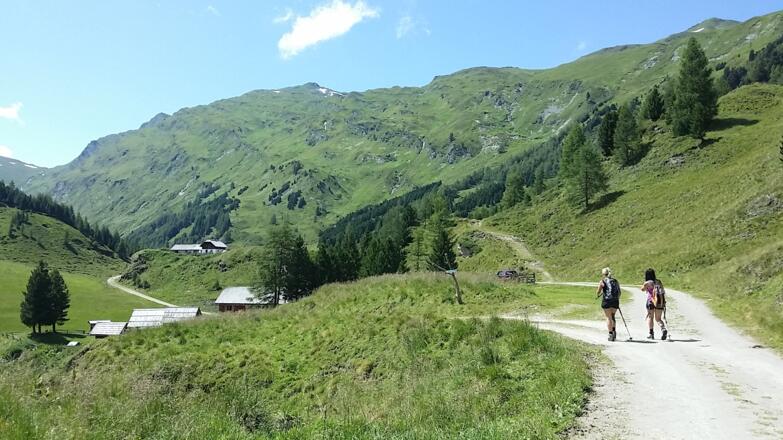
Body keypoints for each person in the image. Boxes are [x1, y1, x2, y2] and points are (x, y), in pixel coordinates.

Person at [641, 268, 667, 340]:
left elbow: (642, 289)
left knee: (650, 317)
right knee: (658, 319)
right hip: (659, 301)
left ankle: (651, 334)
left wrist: (645, 285)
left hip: (651, 301)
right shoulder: (658, 281)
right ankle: (663, 329)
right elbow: (663, 291)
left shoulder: (647, 282)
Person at [596, 267, 620, 341]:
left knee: (608, 317)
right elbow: (619, 292)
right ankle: (614, 331)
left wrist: (598, 294)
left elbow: (598, 292)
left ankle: (610, 334)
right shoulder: (615, 281)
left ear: (603, 274)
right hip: (615, 301)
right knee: (613, 316)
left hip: (607, 301)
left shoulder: (602, 281)